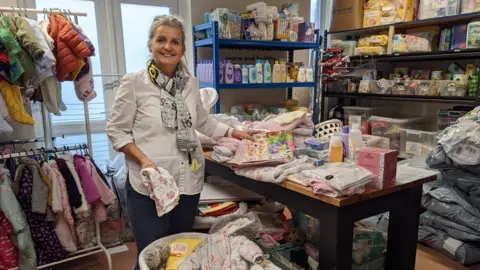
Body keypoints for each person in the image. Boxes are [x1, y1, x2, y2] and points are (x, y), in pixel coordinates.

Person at [105, 15, 253, 269]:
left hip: (187, 182)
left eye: (175, 42)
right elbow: (117, 131)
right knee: (151, 255)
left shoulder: (191, 84)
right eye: (161, 39)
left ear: (183, 49)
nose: (167, 46)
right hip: (149, 184)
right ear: (150, 44)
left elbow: (203, 122)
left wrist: (232, 132)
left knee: (179, 251)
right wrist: (144, 161)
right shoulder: (134, 83)